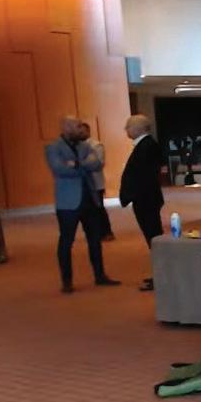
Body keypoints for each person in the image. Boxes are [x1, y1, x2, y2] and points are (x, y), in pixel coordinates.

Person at [45, 115, 119, 293]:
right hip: (67, 203)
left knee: (95, 240)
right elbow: (59, 169)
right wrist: (84, 167)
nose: (81, 129)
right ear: (66, 128)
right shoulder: (53, 148)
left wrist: (76, 164)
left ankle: (100, 275)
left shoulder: (85, 145)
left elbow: (98, 163)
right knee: (66, 241)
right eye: (77, 126)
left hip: (90, 199)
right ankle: (67, 281)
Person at [120, 114, 165, 291]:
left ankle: (161, 275)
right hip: (147, 198)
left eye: (128, 126)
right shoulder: (146, 145)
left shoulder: (147, 147)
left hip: (146, 199)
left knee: (154, 238)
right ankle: (159, 274)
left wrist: (132, 194)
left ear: (138, 128)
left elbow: (143, 176)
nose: (126, 129)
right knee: (152, 237)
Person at [78, 121, 114, 241]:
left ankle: (107, 232)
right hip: (82, 184)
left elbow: (99, 163)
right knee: (87, 210)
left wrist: (80, 164)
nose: (80, 133)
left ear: (88, 131)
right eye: (79, 131)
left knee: (98, 208)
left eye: (82, 131)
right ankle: (95, 233)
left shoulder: (96, 145)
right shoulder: (76, 146)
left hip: (95, 183)